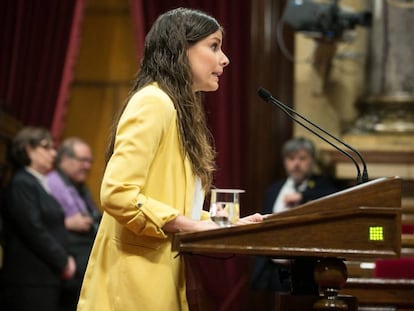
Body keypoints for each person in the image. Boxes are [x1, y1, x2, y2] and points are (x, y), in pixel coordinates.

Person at [77, 7, 263, 311]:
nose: (225, 58)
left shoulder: (176, 109)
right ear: (181, 49)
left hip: (157, 273)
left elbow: (176, 207)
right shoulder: (153, 102)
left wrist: (229, 225)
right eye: (214, 46)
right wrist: (190, 226)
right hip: (132, 282)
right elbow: (118, 194)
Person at [251, 137, 339, 296]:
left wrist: (302, 197)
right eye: (291, 158)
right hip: (273, 271)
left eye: (302, 158)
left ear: (312, 161)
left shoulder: (323, 185)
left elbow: (331, 199)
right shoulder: (273, 190)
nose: (296, 164)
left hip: (307, 270)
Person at [0, 127, 76, 311]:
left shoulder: (37, 182)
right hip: (28, 280)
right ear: (28, 150)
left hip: (42, 278)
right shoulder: (22, 182)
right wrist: (63, 260)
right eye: (46, 147)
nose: (53, 153)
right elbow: (33, 229)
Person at [47, 137, 101, 311]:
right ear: (64, 159)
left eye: (90, 161)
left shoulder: (81, 187)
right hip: (66, 262)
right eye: (83, 160)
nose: (87, 166)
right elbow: (37, 221)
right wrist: (67, 222)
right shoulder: (50, 182)